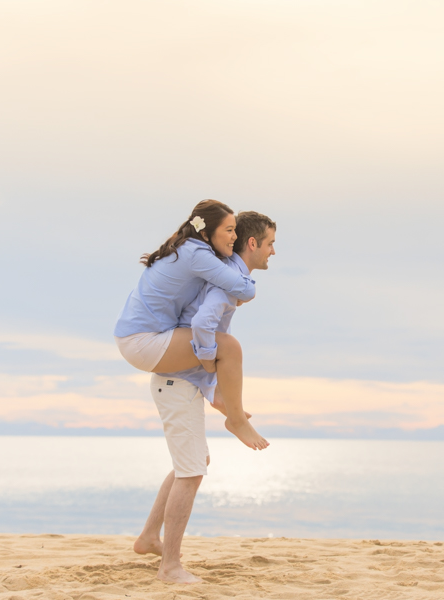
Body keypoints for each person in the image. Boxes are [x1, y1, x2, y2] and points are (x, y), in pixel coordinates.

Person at [131, 211, 278, 584]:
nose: (273, 252)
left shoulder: (228, 275)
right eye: (271, 244)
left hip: (180, 382)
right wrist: (212, 365)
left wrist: (216, 391)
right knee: (192, 471)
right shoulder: (226, 280)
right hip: (175, 384)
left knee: (194, 463)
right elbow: (200, 327)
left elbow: (199, 340)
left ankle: (149, 537)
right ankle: (170, 567)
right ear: (252, 243)